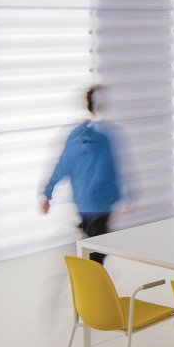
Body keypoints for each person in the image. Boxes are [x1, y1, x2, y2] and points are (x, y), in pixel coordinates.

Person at [40, 85, 128, 264]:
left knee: (94, 245)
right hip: (102, 203)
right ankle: (92, 283)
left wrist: (47, 193)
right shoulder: (107, 134)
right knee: (99, 251)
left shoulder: (75, 134)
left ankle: (88, 273)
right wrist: (128, 196)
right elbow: (115, 168)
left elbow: (62, 166)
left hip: (83, 202)